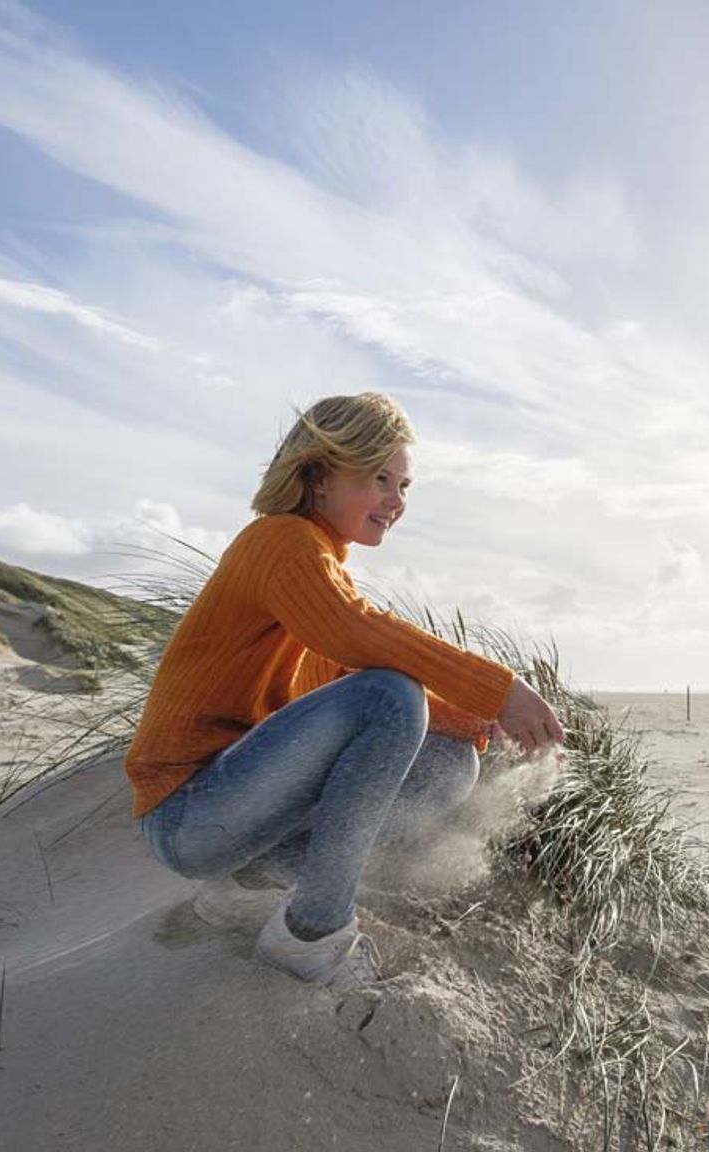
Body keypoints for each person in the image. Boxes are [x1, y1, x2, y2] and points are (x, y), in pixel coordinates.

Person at [124, 393, 564, 991]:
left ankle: (249, 886)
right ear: (318, 475)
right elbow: (354, 633)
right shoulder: (279, 542)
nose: (396, 501)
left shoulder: (320, 562)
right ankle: (312, 932)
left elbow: (335, 681)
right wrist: (501, 689)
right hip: (188, 813)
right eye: (378, 478)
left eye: (405, 485)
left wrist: (468, 719)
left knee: (449, 761)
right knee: (391, 695)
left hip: (239, 814)